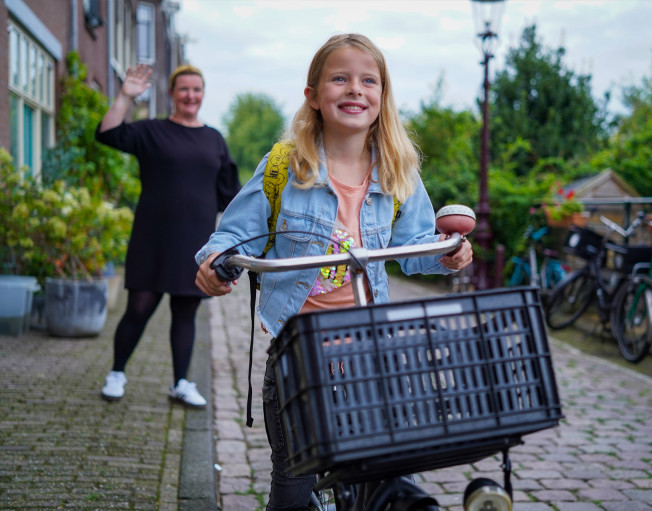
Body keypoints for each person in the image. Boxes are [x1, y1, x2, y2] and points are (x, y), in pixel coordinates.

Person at [194, 34, 473, 510]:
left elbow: (413, 248)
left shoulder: (398, 171)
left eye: (368, 80)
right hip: (300, 349)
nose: (354, 89)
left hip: (371, 347)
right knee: (294, 478)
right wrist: (216, 262)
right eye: (339, 78)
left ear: (382, 97)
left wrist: (448, 253)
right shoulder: (285, 165)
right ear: (314, 96)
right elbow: (234, 233)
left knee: (383, 474)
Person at [96, 64, 240, 408]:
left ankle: (180, 383)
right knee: (139, 308)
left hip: (195, 242)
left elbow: (230, 195)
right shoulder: (152, 132)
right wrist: (126, 96)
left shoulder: (214, 139)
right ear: (173, 94)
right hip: (153, 238)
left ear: (202, 94)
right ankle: (116, 373)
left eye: (196, 89)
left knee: (186, 311)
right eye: (184, 89)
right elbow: (108, 133)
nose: (191, 95)